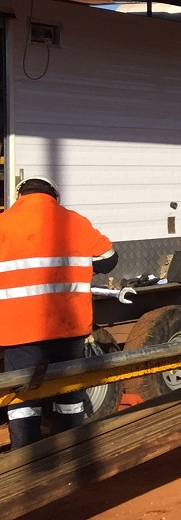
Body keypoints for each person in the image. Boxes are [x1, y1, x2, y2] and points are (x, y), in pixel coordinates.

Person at [1, 176, 118, 449]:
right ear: (54, 195)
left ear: (20, 196)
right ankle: (70, 451)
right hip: (68, 328)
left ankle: (25, 458)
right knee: (68, 394)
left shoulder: (3, 223)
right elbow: (109, 259)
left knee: (23, 399)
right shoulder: (75, 222)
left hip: (19, 332)